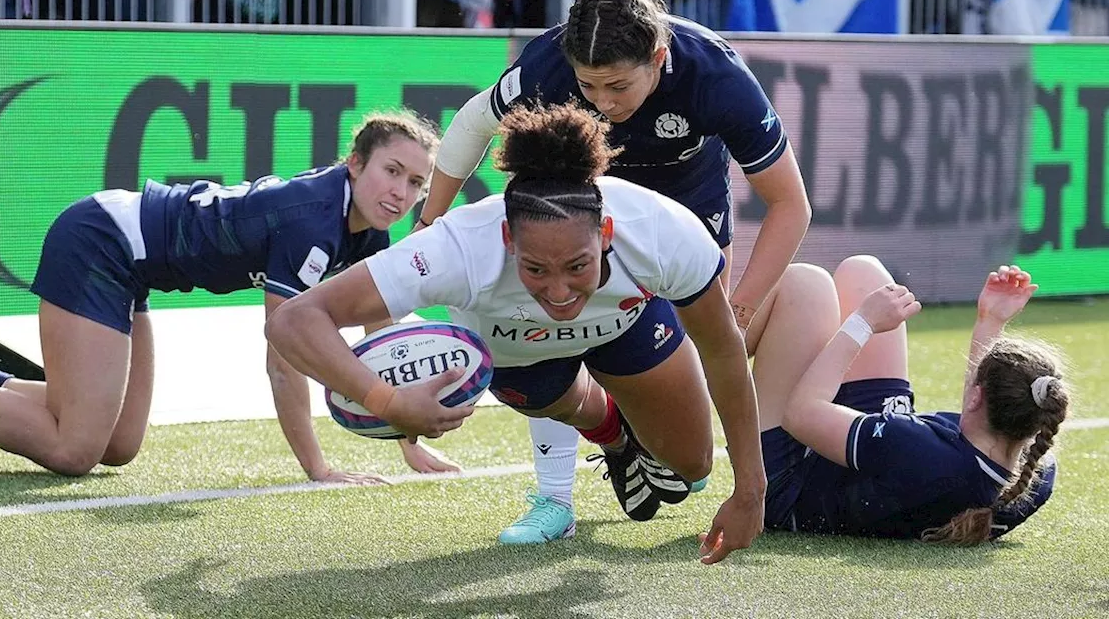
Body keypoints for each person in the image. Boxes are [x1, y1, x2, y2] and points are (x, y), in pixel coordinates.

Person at [412, 0, 810, 543]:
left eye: (618, 85)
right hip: (576, 205)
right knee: (542, 327)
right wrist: (430, 219)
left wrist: (741, 304)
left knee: (687, 457)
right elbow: (473, 122)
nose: (602, 102)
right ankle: (553, 499)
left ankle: (646, 445)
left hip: (685, 217)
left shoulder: (716, 74)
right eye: (588, 86)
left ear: (658, 56)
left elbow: (791, 205)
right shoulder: (547, 65)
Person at [267, 102, 766, 565]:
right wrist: (386, 401)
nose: (558, 292)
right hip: (521, 355)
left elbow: (723, 350)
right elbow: (292, 320)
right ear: (507, 238)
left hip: (626, 324)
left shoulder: (662, 230)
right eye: (534, 268)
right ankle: (615, 437)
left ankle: (638, 433)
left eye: (577, 266)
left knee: (692, 468)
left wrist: (750, 491)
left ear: (607, 234)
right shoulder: (457, 249)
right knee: (574, 404)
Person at [0, 112, 461, 482]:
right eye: (392, 171)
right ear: (354, 164)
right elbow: (286, 352)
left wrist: (405, 436)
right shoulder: (312, 221)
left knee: (118, 445)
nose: (403, 191)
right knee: (75, 448)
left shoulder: (365, 228)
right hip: (101, 242)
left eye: (418, 182)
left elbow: (383, 341)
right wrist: (318, 469)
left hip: (134, 268)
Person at [741, 256, 1065, 542]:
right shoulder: (1034, 475)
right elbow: (977, 422)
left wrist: (863, 323)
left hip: (792, 486)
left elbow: (801, 415)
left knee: (806, 286)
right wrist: (990, 321)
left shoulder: (921, 450)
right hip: (875, 464)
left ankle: (706, 359)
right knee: (865, 273)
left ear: (977, 397)